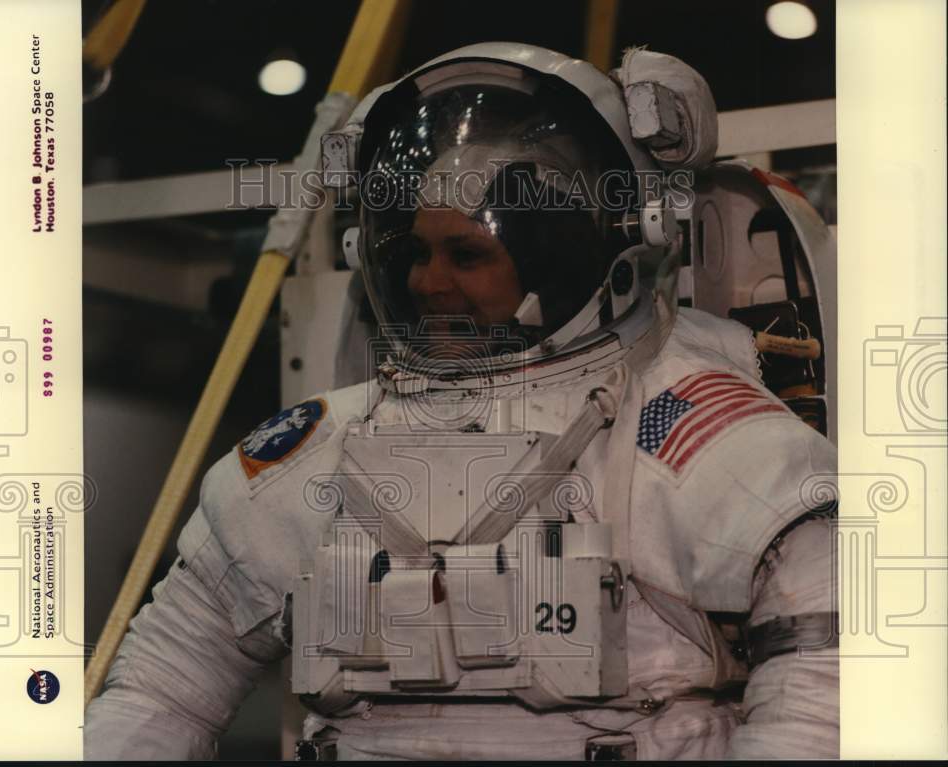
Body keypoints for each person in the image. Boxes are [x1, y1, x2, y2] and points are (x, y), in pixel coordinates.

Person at [85, 43, 838, 760]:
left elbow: (822, 695)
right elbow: (162, 687)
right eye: (417, 253)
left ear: (564, 253)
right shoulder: (322, 449)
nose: (427, 282)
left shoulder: (687, 433)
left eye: (467, 255)